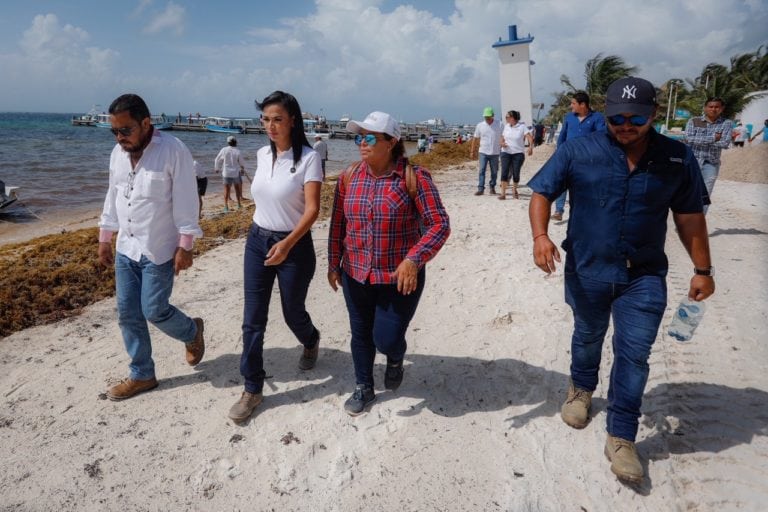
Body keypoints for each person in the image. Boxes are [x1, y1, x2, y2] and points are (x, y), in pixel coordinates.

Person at [527, 77, 715, 484]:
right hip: (587, 268)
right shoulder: (579, 150)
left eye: (637, 118)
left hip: (644, 275)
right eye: (617, 118)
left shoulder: (677, 158)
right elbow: (542, 192)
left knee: (634, 353)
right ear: (605, 113)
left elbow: (689, 219)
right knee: (588, 333)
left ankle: (622, 435)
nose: (626, 125)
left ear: (652, 114)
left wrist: (703, 270)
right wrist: (540, 237)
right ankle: (580, 389)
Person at [328, 111, 450, 416]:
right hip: (356, 272)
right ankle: (363, 387)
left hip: (399, 277)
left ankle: (395, 357)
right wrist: (333, 263)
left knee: (387, 338)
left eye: (370, 137)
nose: (362, 143)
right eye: (359, 137)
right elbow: (337, 224)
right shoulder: (348, 177)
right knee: (360, 333)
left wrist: (414, 259)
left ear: (392, 142)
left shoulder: (414, 178)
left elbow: (439, 224)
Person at [97, 93, 205, 401]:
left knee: (154, 309)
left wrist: (186, 246)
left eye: (126, 130)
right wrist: (105, 235)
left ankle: (191, 332)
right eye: (114, 132)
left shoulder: (173, 151)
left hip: (159, 246)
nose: (120, 138)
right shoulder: (117, 154)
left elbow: (187, 200)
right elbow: (113, 195)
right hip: (126, 247)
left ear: (146, 123)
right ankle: (142, 374)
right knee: (127, 314)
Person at [228, 91, 323, 424]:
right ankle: (252, 387)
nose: (270, 125)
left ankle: (310, 340)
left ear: (292, 121)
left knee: (292, 312)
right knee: (252, 318)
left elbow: (312, 210)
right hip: (257, 241)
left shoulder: (309, 158)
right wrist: (263, 233)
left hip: (294, 245)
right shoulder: (259, 154)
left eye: (277, 119)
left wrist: (285, 244)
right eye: (265, 119)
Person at [552, 91, 606, 221]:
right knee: (562, 183)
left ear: (583, 104)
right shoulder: (569, 117)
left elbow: (601, 136)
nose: (571, 106)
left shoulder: (597, 117)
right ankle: (558, 211)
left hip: (587, 159)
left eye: (573, 103)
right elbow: (562, 136)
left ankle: (579, 211)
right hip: (568, 157)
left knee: (581, 186)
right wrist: (559, 152)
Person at [684, 97, 732, 214]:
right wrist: (713, 138)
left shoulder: (726, 123)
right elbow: (688, 139)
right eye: (711, 106)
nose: (713, 109)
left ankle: (697, 224)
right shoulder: (694, 121)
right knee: (687, 193)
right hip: (692, 162)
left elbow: (725, 143)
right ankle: (685, 220)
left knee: (704, 195)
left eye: (717, 107)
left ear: (722, 109)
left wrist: (700, 140)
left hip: (711, 164)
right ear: (705, 108)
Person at [498, 110, 533, 200]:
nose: (506, 118)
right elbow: (502, 137)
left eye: (507, 117)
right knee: (504, 172)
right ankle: (503, 194)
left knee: (516, 173)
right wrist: (501, 143)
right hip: (505, 152)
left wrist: (530, 147)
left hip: (518, 153)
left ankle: (514, 190)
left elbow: (529, 137)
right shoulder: (506, 126)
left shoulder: (522, 126)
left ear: (513, 118)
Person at [469, 107, 503, 195]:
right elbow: (475, 138)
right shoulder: (480, 125)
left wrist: (504, 146)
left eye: (488, 117)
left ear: (493, 116)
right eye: (485, 117)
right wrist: (472, 151)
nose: (487, 119)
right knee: (482, 170)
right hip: (483, 152)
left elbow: (504, 136)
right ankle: (481, 189)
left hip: (495, 152)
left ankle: (492, 187)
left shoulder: (499, 124)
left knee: (494, 171)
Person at [214, 135, 246, 212]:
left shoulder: (224, 150)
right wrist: (242, 168)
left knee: (226, 190)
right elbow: (242, 162)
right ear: (235, 142)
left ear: (228, 143)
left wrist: (217, 168)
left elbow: (217, 159)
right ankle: (238, 204)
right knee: (237, 189)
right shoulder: (238, 151)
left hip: (226, 173)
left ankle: (226, 207)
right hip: (235, 173)